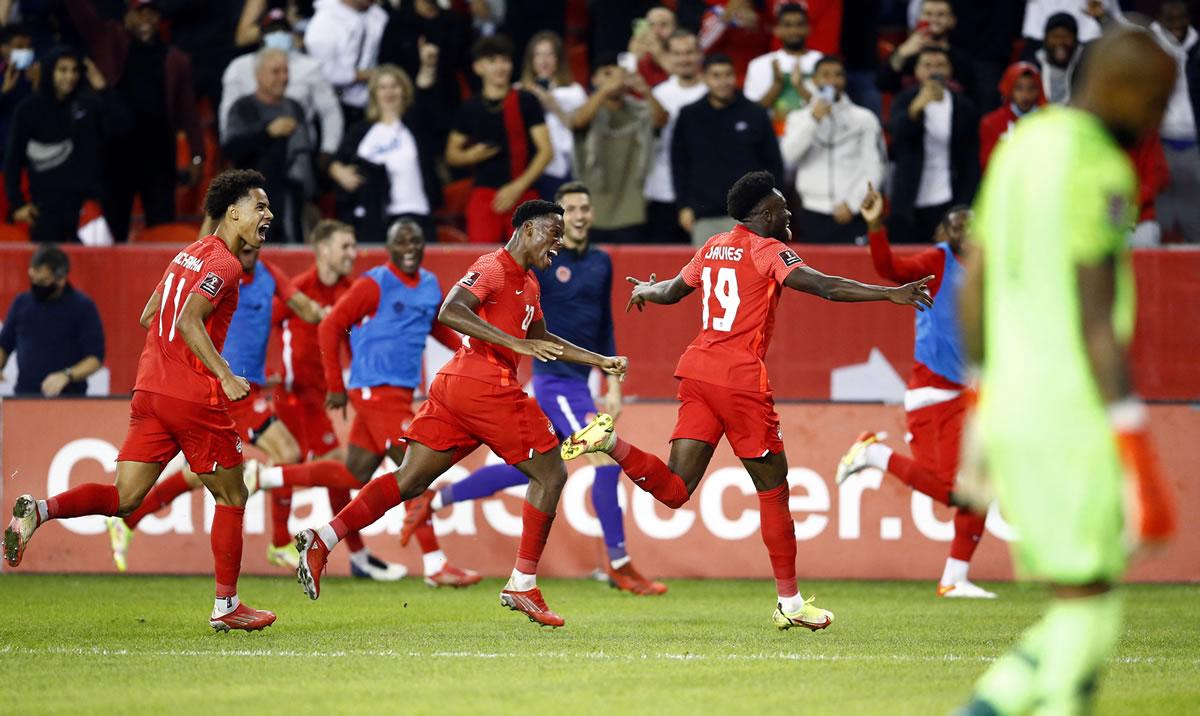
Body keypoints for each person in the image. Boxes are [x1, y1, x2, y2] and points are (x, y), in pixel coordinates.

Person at [561, 171, 934, 630]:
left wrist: (643, 291)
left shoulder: (713, 245)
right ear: (763, 213)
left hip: (696, 370)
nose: (789, 212)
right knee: (774, 490)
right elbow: (824, 286)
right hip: (738, 380)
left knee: (677, 490)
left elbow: (672, 290)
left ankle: (612, 443)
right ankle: (791, 605)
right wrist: (888, 293)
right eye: (782, 206)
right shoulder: (768, 249)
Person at [954, 28, 1177, 713]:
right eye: (1157, 101)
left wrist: (981, 412)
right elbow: (1095, 322)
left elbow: (973, 288)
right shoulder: (1101, 170)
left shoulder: (1024, 147)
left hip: (1014, 408)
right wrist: (1135, 447)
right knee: (1088, 613)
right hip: (1071, 411)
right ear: (1125, 91)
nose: (1157, 120)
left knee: (1081, 607)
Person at [296, 200, 628, 628]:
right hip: (484, 385)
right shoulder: (493, 266)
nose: (559, 244)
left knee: (410, 480)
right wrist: (516, 345)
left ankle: (324, 537)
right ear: (528, 230)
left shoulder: (530, 284)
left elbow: (543, 340)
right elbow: (451, 310)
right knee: (551, 474)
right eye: (554, 233)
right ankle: (523, 583)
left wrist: (599, 360)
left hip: (457, 389)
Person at [4, 169, 278, 631]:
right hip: (192, 396)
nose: (267, 215)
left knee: (124, 498)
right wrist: (224, 375)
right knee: (233, 494)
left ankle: (41, 509)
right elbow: (190, 320)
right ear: (232, 211)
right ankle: (227, 606)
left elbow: (149, 314)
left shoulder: (186, 254)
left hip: (149, 390)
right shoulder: (228, 265)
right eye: (260, 206)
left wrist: (170, 364)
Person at [405, 182, 666, 596]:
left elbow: (603, 324)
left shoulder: (600, 262)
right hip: (554, 380)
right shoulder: (536, 265)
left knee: (532, 468)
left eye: (584, 208)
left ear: (591, 215)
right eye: (570, 210)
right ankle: (619, 564)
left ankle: (435, 499)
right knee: (602, 459)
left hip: (581, 380)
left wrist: (608, 373)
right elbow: (523, 321)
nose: (578, 216)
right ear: (543, 225)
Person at [836, 191, 993, 598]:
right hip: (932, 394)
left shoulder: (987, 267)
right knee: (956, 493)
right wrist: (874, 225)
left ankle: (954, 580)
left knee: (980, 488)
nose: (967, 231)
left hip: (963, 393)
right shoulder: (937, 261)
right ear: (944, 232)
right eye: (958, 225)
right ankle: (873, 454)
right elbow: (889, 268)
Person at [315, 218, 481, 588]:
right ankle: (435, 564)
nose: (409, 247)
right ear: (389, 248)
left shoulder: (428, 285)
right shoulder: (373, 283)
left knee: (354, 473)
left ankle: (270, 476)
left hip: (400, 392)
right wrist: (335, 385)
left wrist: (468, 349)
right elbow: (329, 326)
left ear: (424, 246)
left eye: (416, 241)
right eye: (401, 241)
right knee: (414, 471)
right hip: (374, 390)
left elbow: (435, 324)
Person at [63, 0, 205, 243]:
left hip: (159, 157)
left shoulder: (176, 60)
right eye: (140, 13)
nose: (146, 20)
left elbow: (189, 113)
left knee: (162, 228)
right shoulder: (111, 41)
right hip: (116, 155)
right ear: (127, 17)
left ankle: (163, 279)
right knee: (112, 227)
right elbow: (82, 14)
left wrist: (197, 155)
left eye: (152, 14)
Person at [446, 35, 553, 244]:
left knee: (528, 265)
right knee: (484, 261)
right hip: (486, 195)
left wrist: (517, 187)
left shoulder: (525, 100)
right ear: (478, 67)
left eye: (505, 60)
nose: (500, 67)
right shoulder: (470, 107)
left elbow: (546, 151)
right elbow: (452, 154)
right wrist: (471, 155)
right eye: (492, 61)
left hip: (524, 191)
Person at [672, 54, 783, 246]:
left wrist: (769, 208)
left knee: (753, 275)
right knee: (707, 275)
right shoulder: (689, 115)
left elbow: (773, 164)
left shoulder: (755, 113)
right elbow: (679, 164)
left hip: (750, 217)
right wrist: (684, 206)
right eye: (716, 75)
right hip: (705, 216)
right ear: (704, 78)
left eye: (727, 75)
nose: (723, 81)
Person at [5, 48, 113, 243]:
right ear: (49, 71)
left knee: (93, 270)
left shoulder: (89, 105)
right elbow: (13, 160)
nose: (70, 76)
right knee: (50, 270)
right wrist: (17, 203)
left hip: (87, 210)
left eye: (74, 70)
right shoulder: (28, 110)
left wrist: (105, 92)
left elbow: (121, 133)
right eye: (62, 70)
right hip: (45, 210)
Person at [329, 62, 440, 244]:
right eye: (382, 87)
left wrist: (428, 67)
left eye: (394, 86)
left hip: (415, 213)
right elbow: (334, 161)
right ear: (374, 94)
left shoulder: (415, 123)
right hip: (372, 218)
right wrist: (340, 172)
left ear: (404, 90)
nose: (389, 92)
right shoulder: (361, 130)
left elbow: (426, 94)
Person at [220, 8, 343, 169]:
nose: (283, 77)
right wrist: (230, 147)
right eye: (272, 30)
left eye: (283, 30)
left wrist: (328, 150)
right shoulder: (239, 67)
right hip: (253, 154)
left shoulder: (310, 67)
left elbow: (330, 111)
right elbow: (227, 114)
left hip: (298, 153)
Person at [780, 55, 885, 244]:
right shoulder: (799, 118)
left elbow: (874, 166)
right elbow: (788, 157)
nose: (832, 81)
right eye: (825, 75)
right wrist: (814, 120)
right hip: (812, 211)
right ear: (814, 80)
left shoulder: (864, 118)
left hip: (852, 212)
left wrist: (853, 203)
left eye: (838, 75)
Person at [568, 52, 665, 244]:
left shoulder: (637, 109)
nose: (614, 80)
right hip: (592, 209)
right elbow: (577, 122)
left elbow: (661, 120)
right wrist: (604, 90)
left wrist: (645, 90)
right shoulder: (588, 108)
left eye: (617, 75)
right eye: (606, 74)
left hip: (630, 209)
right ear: (594, 79)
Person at [222, 48, 316, 245]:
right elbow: (231, 148)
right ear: (258, 75)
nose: (283, 77)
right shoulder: (243, 107)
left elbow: (305, 154)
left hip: (291, 201)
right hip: (253, 203)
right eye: (276, 72)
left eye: (286, 71)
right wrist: (267, 132)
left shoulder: (294, 107)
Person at [887, 47, 980, 244]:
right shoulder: (904, 100)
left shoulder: (964, 107)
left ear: (950, 71)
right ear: (916, 71)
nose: (933, 70)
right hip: (909, 201)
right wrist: (916, 108)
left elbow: (970, 162)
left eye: (940, 65)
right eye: (927, 65)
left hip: (947, 198)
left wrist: (962, 206)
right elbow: (897, 137)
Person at [0, 244, 104, 397]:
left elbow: (95, 358)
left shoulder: (83, 307)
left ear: (61, 279)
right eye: (33, 279)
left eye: (43, 282)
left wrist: (66, 375)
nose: (36, 285)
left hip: (69, 400)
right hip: (24, 398)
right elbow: (4, 345)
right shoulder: (21, 303)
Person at [644, 30, 707, 244]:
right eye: (678, 53)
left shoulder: (711, 92)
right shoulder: (658, 94)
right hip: (662, 190)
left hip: (703, 193)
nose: (684, 59)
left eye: (689, 52)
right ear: (669, 57)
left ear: (700, 54)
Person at [518, 30, 588, 201]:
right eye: (538, 55)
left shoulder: (573, 92)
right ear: (531, 60)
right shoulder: (518, 91)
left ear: (559, 59)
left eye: (549, 54)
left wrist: (552, 104)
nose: (544, 60)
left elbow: (581, 126)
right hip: (529, 168)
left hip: (564, 169)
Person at [1152, 0, 1200, 242]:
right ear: (1161, 21)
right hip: (1160, 142)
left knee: (1195, 222)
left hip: (1194, 143)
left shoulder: (1198, 49)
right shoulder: (1150, 49)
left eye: (1181, 18)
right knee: (1163, 221)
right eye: (1170, 20)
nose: (1177, 25)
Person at [303, 0, 388, 125]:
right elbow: (325, 73)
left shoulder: (380, 17)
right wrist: (369, 74)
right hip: (334, 103)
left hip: (371, 101)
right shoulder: (324, 19)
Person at [742, 4, 823, 134]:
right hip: (774, 137)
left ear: (808, 29)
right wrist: (776, 85)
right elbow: (750, 113)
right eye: (787, 25)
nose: (793, 31)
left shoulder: (822, 62)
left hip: (816, 137)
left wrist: (800, 87)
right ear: (777, 30)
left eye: (799, 25)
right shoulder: (759, 65)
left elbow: (831, 109)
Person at [878, 0, 977, 105]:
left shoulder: (962, 59)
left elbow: (972, 99)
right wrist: (902, 52)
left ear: (952, 20)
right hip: (909, 115)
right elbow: (883, 84)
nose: (933, 19)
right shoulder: (906, 54)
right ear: (919, 18)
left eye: (941, 14)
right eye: (928, 14)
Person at [979, 62, 1046, 168]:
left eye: (1031, 88)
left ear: (1039, 91)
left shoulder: (1049, 123)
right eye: (1019, 88)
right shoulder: (991, 123)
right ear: (1009, 90)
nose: (1025, 95)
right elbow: (988, 165)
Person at [1021, 13, 1084, 105]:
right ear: (1045, 39)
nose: (1060, 42)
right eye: (1055, 36)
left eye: (1066, 36)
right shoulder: (1032, 67)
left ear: (1075, 40)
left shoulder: (1087, 64)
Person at [627, 5, 677, 88]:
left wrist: (659, 53)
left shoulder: (684, 49)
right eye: (651, 25)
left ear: (675, 27)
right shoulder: (638, 45)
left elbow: (684, 77)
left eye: (663, 24)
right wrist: (634, 56)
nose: (656, 31)